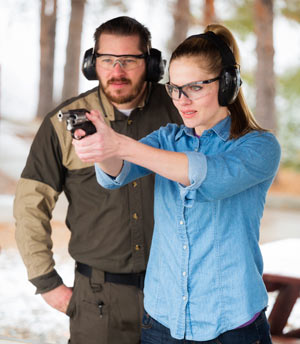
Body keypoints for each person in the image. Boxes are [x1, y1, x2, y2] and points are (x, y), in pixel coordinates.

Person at [73, 23, 281, 343]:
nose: (181, 99)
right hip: (161, 321)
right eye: (175, 88)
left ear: (228, 84)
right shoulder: (168, 138)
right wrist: (101, 147)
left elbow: (203, 176)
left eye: (195, 87)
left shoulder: (259, 147)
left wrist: (121, 144)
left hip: (232, 325)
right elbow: (118, 174)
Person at [13, 16, 182, 344]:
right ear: (92, 63)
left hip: (178, 293)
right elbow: (30, 205)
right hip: (98, 300)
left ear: (151, 63)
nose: (117, 71)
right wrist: (47, 283)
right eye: (107, 60)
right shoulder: (63, 123)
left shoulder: (180, 111)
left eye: (129, 60)